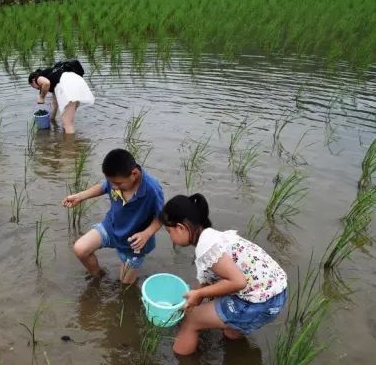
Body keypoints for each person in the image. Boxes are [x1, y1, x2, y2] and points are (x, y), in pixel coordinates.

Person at [160, 193, 288, 356]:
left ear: (181, 227)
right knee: (229, 328)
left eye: (169, 231)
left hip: (258, 301)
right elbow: (207, 282)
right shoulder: (214, 237)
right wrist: (194, 298)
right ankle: (237, 350)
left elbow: (238, 282)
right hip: (276, 293)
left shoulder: (206, 247)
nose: (170, 237)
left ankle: (180, 358)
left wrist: (198, 295)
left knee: (191, 320)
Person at [62, 149, 164, 284]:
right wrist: (80, 196)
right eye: (112, 183)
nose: (114, 187)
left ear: (134, 174)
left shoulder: (152, 189)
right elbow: (103, 187)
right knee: (80, 249)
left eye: (118, 184)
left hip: (134, 243)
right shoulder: (115, 180)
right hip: (111, 227)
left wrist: (146, 234)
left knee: (125, 285)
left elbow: (163, 216)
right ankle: (99, 276)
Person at [28, 59, 95, 134]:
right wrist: (52, 119)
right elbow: (55, 103)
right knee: (66, 120)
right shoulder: (53, 77)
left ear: (33, 80)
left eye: (32, 86)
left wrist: (41, 97)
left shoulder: (38, 78)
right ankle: (69, 141)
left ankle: (69, 145)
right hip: (77, 84)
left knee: (67, 123)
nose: (36, 88)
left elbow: (46, 83)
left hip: (68, 85)